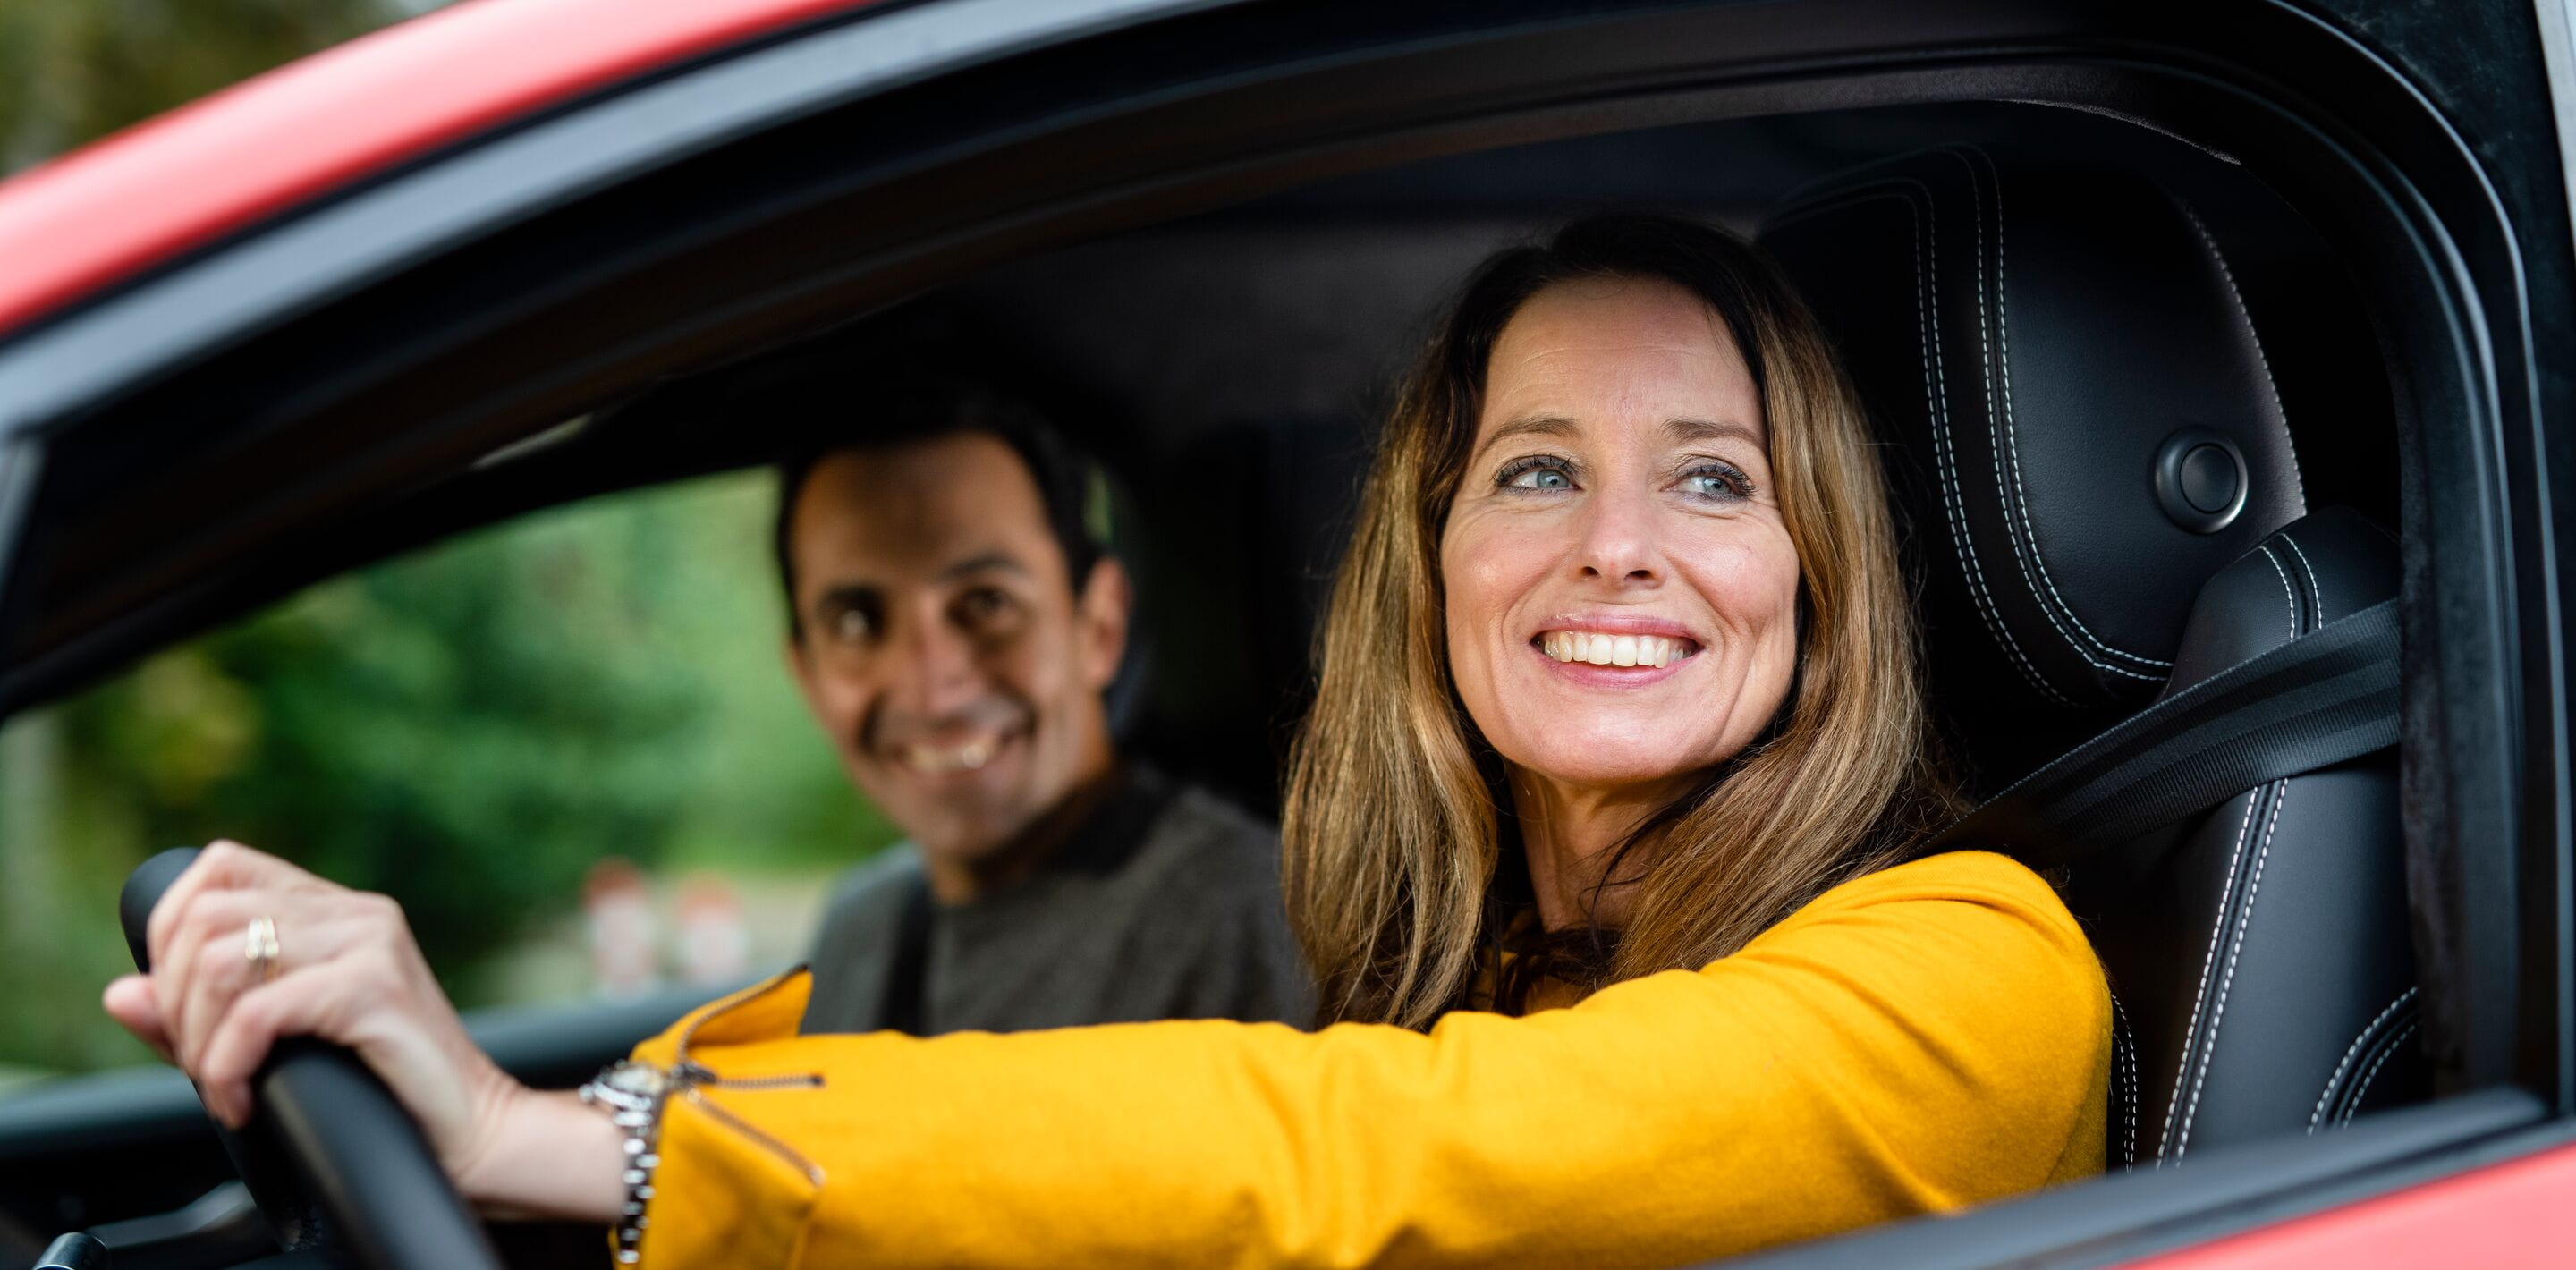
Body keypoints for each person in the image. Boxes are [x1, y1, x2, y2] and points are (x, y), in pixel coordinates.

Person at [104, 215, 2109, 1269]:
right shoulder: (1463, 965)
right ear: (1429, 565)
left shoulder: (1980, 967)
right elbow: (1084, 1125)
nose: (1614, 543)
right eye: (1532, 469)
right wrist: (491, 1114)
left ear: (1821, 569)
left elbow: (1371, 1157)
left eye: (1712, 477)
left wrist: (590, 1146)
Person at [771, 387, 1310, 1034]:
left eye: (987, 603)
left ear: (1099, 627)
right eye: (857, 622)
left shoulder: (1254, 921)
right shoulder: (857, 929)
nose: (930, 692)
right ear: (806, 673)